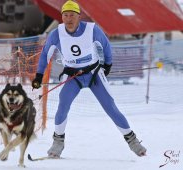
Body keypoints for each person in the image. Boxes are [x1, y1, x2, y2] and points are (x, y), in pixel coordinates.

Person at [32, 0, 146, 158]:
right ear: (62, 17)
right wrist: (38, 75)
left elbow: (105, 46)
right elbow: (45, 54)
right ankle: (58, 143)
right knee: (62, 106)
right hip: (73, 76)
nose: (69, 19)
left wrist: (108, 64)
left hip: (93, 74)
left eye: (72, 15)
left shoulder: (92, 29)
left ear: (79, 17)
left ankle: (133, 142)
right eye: (65, 15)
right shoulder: (56, 34)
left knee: (111, 108)